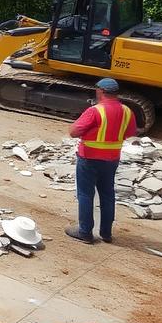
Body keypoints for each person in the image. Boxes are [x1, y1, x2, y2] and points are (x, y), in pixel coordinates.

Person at [65, 78, 138, 245]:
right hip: (112, 159)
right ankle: (106, 233)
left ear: (100, 91)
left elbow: (74, 132)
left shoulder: (95, 111)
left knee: (85, 194)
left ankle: (85, 232)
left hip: (89, 158)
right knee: (107, 194)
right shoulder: (127, 111)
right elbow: (131, 132)